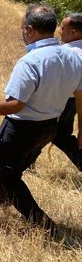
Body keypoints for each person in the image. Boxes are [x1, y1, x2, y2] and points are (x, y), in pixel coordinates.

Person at [0, 5, 82, 237]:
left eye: (23, 28)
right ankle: (0, 199)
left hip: (20, 128)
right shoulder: (72, 57)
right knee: (16, 166)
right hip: (50, 126)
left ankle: (44, 225)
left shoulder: (30, 62)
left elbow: (15, 105)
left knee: (4, 172)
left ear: (30, 30)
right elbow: (79, 94)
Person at [52, 12, 82, 171]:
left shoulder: (66, 53)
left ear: (74, 32)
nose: (59, 30)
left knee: (48, 132)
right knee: (59, 134)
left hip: (62, 101)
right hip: (74, 103)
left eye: (62, 27)